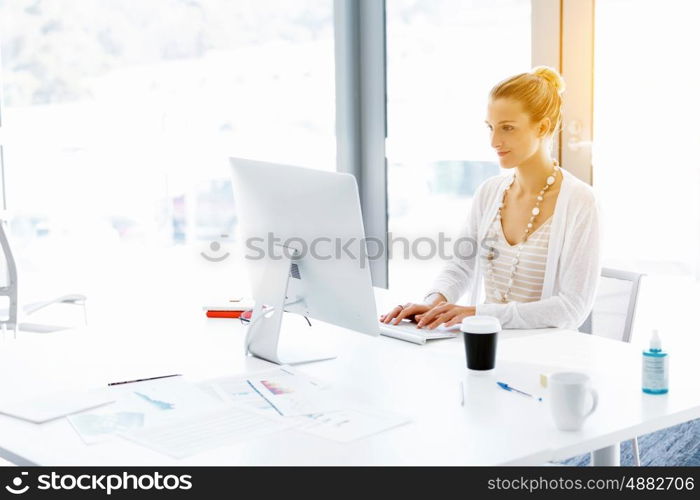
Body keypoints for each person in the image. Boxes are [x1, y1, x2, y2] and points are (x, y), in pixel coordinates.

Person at [380, 66, 600, 331]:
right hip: (484, 346)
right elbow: (460, 267)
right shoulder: (489, 192)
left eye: (507, 128)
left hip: (546, 360)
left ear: (542, 127)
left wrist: (478, 313)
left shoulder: (581, 202)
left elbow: (571, 309)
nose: (495, 141)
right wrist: (433, 305)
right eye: (491, 128)